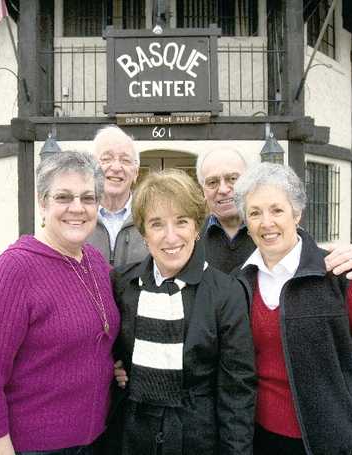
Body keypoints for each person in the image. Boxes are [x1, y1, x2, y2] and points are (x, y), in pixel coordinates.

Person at [233, 163, 352, 455]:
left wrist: (341, 398)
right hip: (257, 436)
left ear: (296, 214)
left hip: (324, 439)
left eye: (277, 210)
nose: (266, 222)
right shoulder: (241, 281)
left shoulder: (337, 273)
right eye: (255, 212)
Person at [0, 151, 120, 455]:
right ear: (43, 202)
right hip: (32, 447)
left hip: (94, 439)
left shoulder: (96, 263)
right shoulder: (15, 269)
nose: (77, 208)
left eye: (88, 198)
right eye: (64, 196)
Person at [105, 169, 256, 455]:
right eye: (157, 224)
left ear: (196, 227)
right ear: (143, 232)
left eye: (182, 222)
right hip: (131, 438)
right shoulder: (123, 283)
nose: (171, 236)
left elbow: (237, 390)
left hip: (198, 439)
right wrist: (111, 367)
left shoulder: (225, 293)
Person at [196, 147, 352, 277]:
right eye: (212, 182)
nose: (223, 189)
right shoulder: (190, 240)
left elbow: (320, 265)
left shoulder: (278, 232)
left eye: (233, 178)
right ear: (203, 190)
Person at [88, 125, 148, 266]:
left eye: (125, 160)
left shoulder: (150, 217)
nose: (116, 168)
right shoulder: (77, 217)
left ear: (136, 173)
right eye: (106, 159)